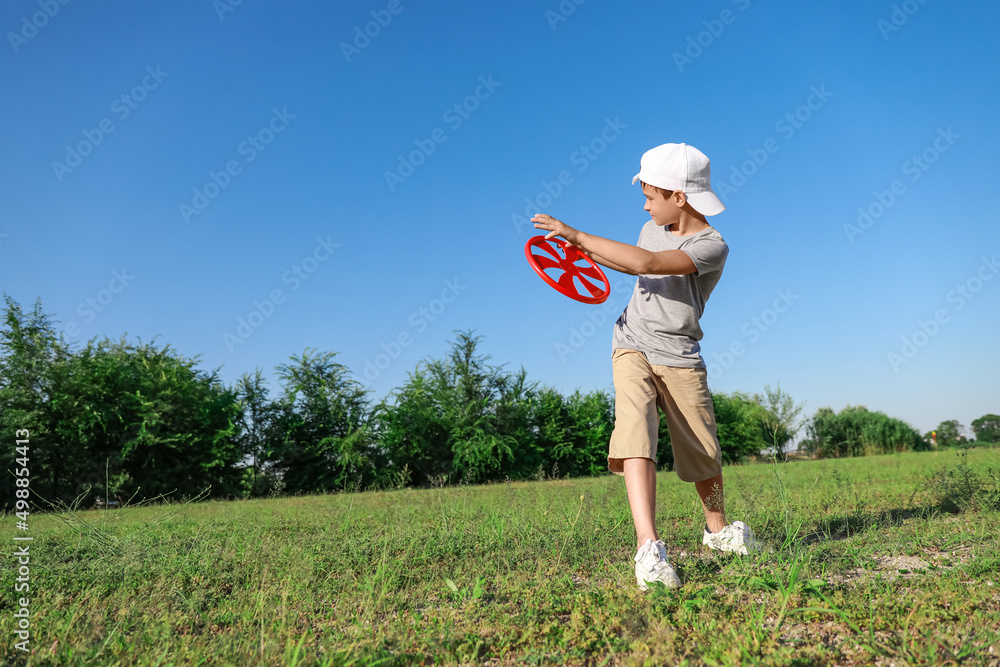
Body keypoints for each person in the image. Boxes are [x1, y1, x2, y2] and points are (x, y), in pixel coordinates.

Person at [532, 142, 760, 591]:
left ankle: (717, 530)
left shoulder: (711, 245)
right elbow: (634, 265)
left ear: (680, 196)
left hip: (679, 354)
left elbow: (652, 264)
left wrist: (578, 234)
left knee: (702, 447)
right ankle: (648, 547)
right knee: (634, 427)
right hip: (631, 343)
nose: (645, 204)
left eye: (651, 195)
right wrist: (575, 252)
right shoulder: (648, 228)